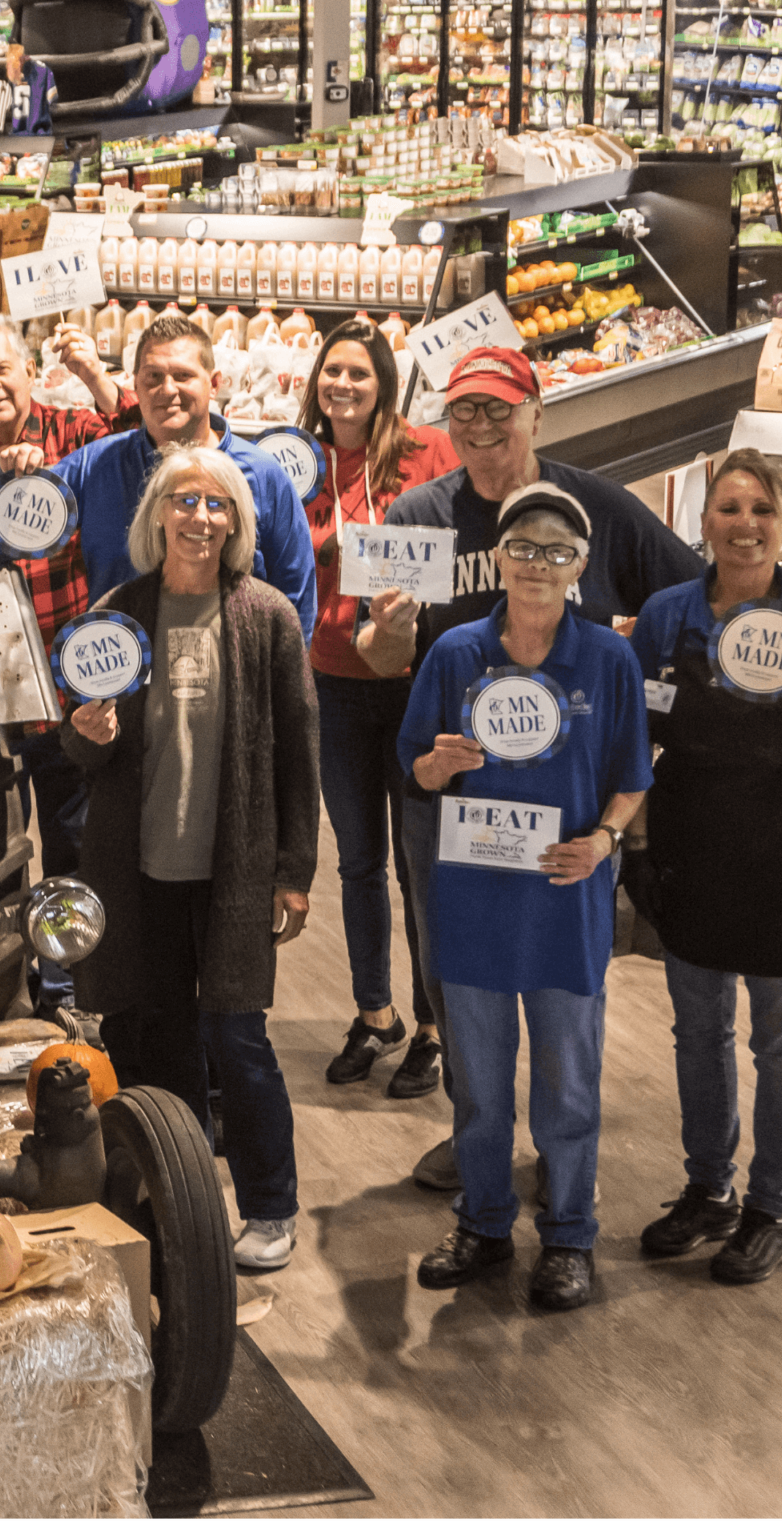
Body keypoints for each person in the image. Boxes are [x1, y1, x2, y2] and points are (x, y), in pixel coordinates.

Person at [356, 345, 702, 1191]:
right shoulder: (415, 515)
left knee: (558, 984)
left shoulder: (596, 510)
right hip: (454, 793)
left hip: (563, 800)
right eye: (463, 410)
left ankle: (559, 1154)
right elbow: (378, 656)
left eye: (497, 408)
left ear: (536, 412)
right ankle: (480, 1143)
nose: (479, 427)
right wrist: (394, 631)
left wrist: (634, 680)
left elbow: (688, 591)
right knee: (456, 970)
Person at [62, 446, 320, 1272]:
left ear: (238, 523)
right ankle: (181, 1205)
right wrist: (86, 736)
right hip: (139, 871)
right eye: (185, 500)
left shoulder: (267, 616)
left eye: (218, 504)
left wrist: (294, 869)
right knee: (157, 1035)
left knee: (238, 1039)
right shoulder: (120, 611)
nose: (200, 518)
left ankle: (270, 1205)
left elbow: (300, 753)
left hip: (233, 871)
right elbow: (82, 747)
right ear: (158, 515)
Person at [398, 485, 652, 1311]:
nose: (538, 565)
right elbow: (414, 767)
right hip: (472, 896)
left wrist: (605, 841)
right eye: (524, 548)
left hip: (562, 897)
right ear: (499, 558)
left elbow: (631, 777)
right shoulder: (455, 653)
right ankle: (484, 1221)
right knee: (478, 1083)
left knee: (568, 1083)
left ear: (579, 567)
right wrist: (438, 766)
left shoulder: (609, 660)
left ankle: (571, 1234)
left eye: (558, 552)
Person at [629, 450, 782, 1285]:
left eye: (762, 509)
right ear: (704, 523)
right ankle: (707, 1190)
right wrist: (642, 847)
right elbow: (636, 738)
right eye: (728, 508)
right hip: (693, 846)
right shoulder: (665, 615)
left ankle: (770, 1210)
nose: (745, 524)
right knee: (698, 1030)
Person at [0, 314, 135, 981]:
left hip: (66, 683)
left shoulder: (75, 434)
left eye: (1, 369)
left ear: (29, 371)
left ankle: (72, 978)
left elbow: (145, 441)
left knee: (74, 835)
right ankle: (6, 975)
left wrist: (96, 378)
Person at [297, 320, 460, 1098]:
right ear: (316, 381)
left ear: (384, 383)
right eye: (333, 372)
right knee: (358, 861)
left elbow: (466, 539)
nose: (344, 386)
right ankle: (375, 1012)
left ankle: (434, 1027)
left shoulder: (425, 451)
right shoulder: (302, 463)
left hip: (415, 685)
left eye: (359, 374)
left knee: (417, 864)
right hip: (333, 681)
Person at [41, 312, 317, 640]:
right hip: (123, 683)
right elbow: (6, 534)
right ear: (135, 384)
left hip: (231, 682)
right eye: (153, 377)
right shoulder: (93, 466)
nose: (167, 389)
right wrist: (17, 478)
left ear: (213, 383)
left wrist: (279, 681)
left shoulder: (264, 476)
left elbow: (296, 601)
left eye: (183, 375)